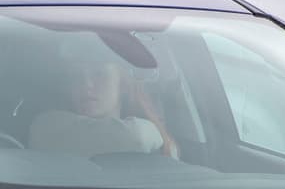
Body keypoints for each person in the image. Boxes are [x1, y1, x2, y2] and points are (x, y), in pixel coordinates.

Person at [28, 58, 177, 158]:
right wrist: (161, 138)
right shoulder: (47, 127)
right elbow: (136, 137)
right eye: (76, 77)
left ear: (123, 85)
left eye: (99, 75)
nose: (87, 85)